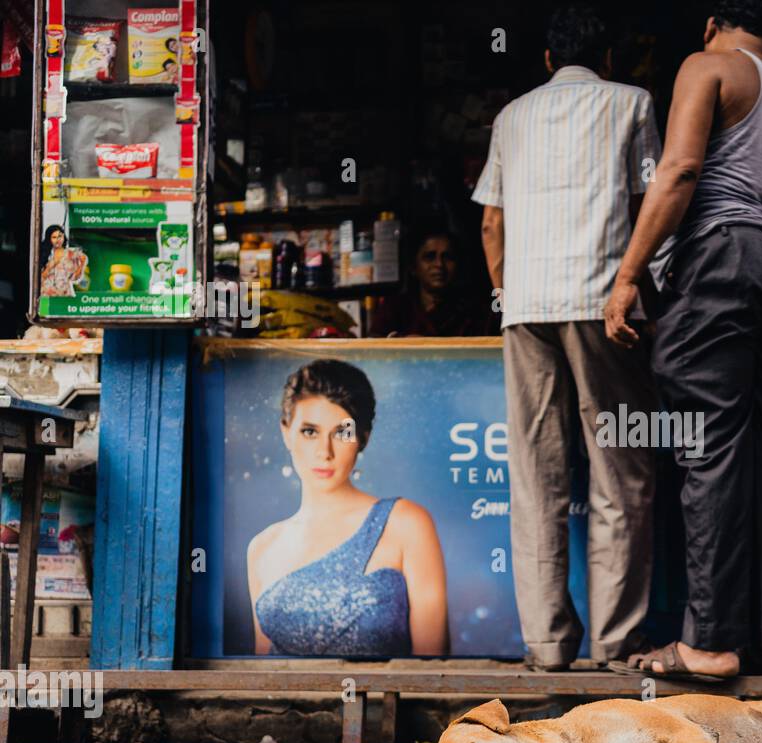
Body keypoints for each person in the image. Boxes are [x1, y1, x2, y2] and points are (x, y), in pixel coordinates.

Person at [603, 1, 762, 681]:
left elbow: (679, 172)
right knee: (756, 449)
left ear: (713, 19)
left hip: (721, 258)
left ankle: (711, 644)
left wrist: (628, 275)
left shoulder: (709, 65)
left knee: (707, 449)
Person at [472, 5, 661, 671]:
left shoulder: (512, 116)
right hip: (603, 302)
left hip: (526, 307)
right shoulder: (633, 103)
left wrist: (506, 292)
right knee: (620, 473)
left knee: (536, 479)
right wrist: (647, 284)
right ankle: (617, 642)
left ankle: (547, 644)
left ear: (549, 60)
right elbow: (651, 204)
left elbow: (491, 223)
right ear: (609, 58)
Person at [248, 360, 450, 657]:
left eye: (342, 433)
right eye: (309, 431)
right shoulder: (262, 548)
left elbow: (435, 675)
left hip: (387, 704)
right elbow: (260, 679)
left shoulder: (405, 524)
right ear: (285, 432)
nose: (324, 452)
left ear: (363, 438)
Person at [369, 226, 499, 337]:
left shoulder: (475, 311)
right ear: (414, 267)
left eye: (447, 257)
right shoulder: (396, 308)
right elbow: (374, 349)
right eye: (429, 257)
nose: (439, 265)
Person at [38, 225, 87, 298]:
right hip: (46, 295)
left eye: (60, 236)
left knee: (66, 307)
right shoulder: (45, 254)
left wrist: (81, 265)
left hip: (64, 295)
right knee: (43, 308)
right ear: (49, 239)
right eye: (54, 237)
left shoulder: (71, 254)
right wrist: (50, 267)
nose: (57, 239)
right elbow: (40, 279)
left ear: (63, 237)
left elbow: (74, 278)